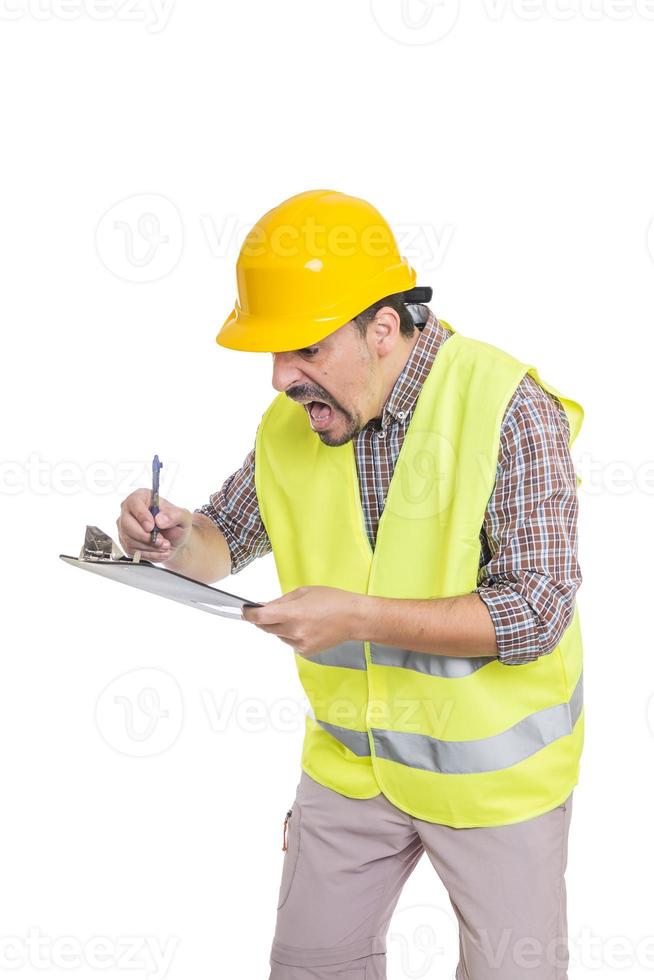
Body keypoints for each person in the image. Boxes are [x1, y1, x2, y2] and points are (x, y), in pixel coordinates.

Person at [116, 189, 584, 980]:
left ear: (384, 328)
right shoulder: (296, 422)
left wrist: (358, 617)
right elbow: (222, 539)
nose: (279, 379)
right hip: (349, 768)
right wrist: (171, 536)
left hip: (493, 788)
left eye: (304, 350)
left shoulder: (508, 409)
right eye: (272, 354)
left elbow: (536, 611)